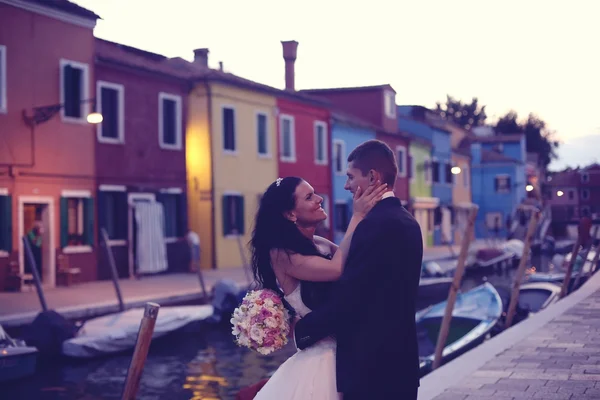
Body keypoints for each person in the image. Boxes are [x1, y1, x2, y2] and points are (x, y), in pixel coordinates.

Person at [294, 139, 423, 400]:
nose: (346, 185)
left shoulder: (374, 225)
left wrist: (302, 329)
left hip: (372, 372)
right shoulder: (408, 221)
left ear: (373, 177)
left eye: (351, 177)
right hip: (401, 367)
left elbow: (351, 299)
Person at [249, 175, 387, 400]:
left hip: (348, 352)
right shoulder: (282, 254)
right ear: (291, 214)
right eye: (309, 197)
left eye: (315, 193)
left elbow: (353, 261)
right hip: (321, 359)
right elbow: (336, 269)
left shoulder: (321, 244)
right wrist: (358, 215)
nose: (319, 199)